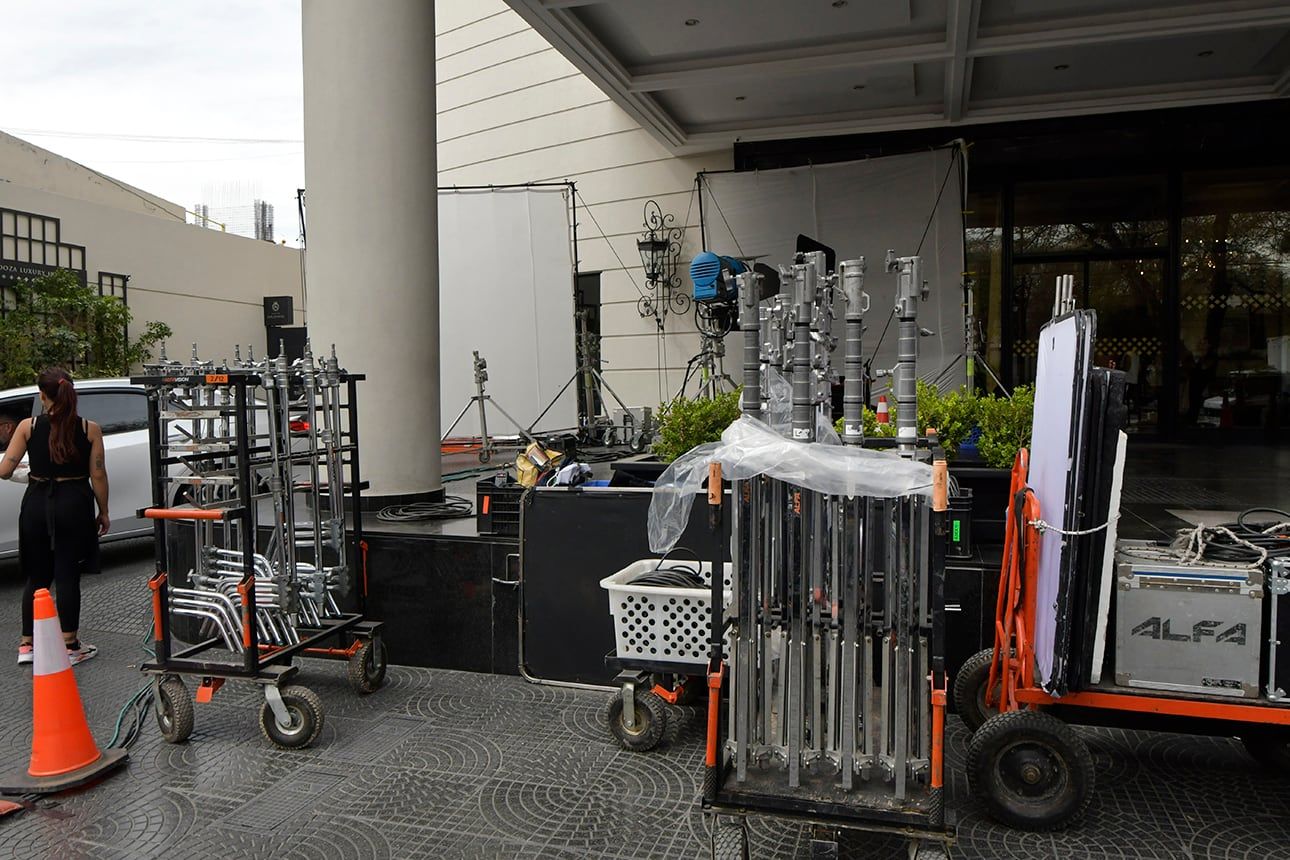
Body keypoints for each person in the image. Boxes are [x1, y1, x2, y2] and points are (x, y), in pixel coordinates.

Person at [0, 369, 109, 665]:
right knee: (67, 575)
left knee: (37, 576)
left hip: (36, 503)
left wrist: (27, 469)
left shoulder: (28, 426)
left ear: (43, 396)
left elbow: (4, 470)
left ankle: (27, 645)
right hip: (74, 503)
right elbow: (97, 474)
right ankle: (70, 645)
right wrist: (104, 511)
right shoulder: (89, 429)